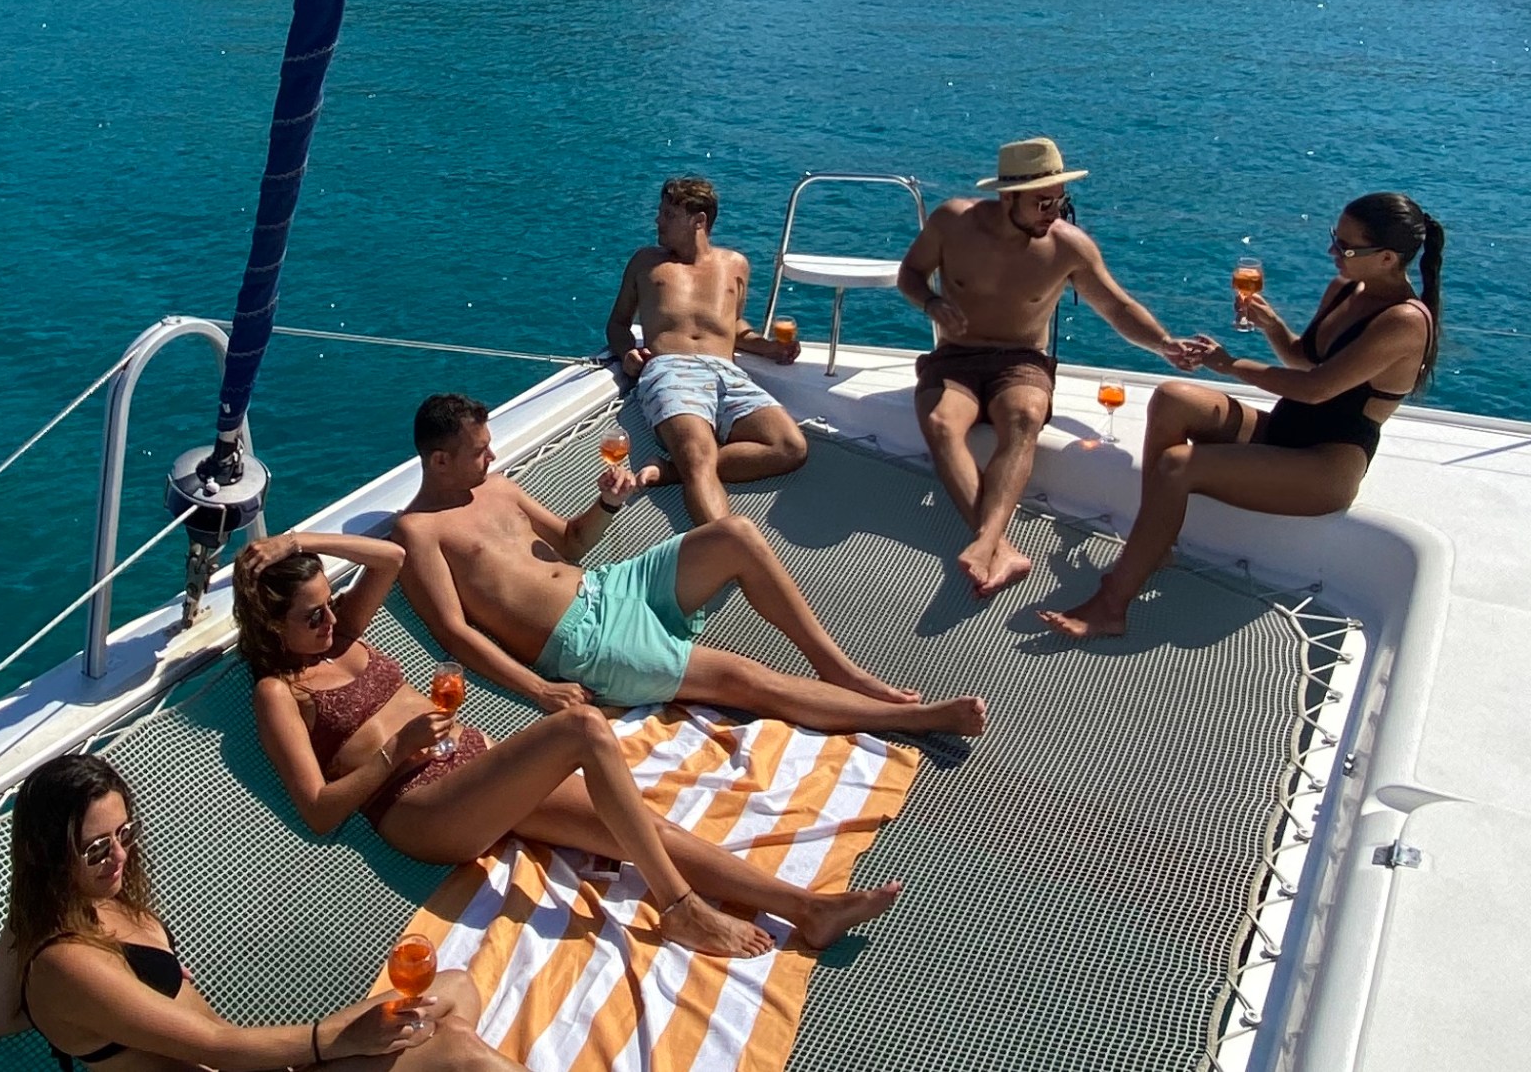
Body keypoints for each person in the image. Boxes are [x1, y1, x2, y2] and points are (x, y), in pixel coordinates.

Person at [234, 531, 904, 959]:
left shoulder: (342, 633)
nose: (329, 620)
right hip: (421, 807)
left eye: (327, 603)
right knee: (583, 729)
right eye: (310, 615)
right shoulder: (278, 692)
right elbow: (319, 811)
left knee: (637, 824)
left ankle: (808, 910)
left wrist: (296, 540)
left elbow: (393, 557)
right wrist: (395, 751)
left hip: (477, 768)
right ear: (271, 625)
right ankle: (680, 911)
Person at [391, 394, 986, 736]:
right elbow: (455, 633)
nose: (492, 456)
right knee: (742, 680)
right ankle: (913, 719)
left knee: (736, 534)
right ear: (439, 460)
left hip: (612, 585)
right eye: (478, 451)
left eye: (490, 444)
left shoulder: (496, 486)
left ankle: (844, 672)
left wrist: (606, 504)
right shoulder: (418, 532)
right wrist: (540, 687)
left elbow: (571, 545)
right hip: (584, 644)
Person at [1039, 193, 1443, 642]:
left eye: (1346, 247)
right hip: (1285, 430)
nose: (1333, 252)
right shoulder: (1345, 290)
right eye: (1335, 238)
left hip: (1326, 463)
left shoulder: (1405, 322)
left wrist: (1228, 365)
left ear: (1387, 258)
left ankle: (1112, 603)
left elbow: (1317, 388)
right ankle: (1154, 548)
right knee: (1172, 397)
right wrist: (1272, 326)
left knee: (1178, 464)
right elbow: (1303, 360)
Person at [0, 751, 506, 1070]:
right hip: (234, 1059)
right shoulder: (64, 963)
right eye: (96, 849)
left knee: (455, 987)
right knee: (456, 1051)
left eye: (126, 834)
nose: (120, 856)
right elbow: (216, 1043)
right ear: (46, 857)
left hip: (251, 1064)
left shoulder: (102, 902)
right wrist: (337, 1040)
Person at [898, 138, 1199, 600]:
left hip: (1022, 361)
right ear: (1006, 197)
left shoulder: (1068, 247)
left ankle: (985, 543)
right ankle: (1000, 547)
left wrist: (1164, 344)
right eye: (1042, 201)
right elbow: (910, 274)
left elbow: (1117, 308)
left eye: (1060, 201)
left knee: (1023, 418)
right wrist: (932, 302)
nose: (1052, 212)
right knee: (940, 423)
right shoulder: (952, 222)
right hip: (955, 357)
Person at [604, 176, 808, 526]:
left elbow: (735, 327)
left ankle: (670, 470)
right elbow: (617, 325)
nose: (658, 221)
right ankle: (723, 549)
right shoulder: (645, 264)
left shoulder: (735, 265)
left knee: (791, 447)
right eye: (660, 213)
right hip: (671, 369)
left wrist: (769, 347)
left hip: (727, 372)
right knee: (698, 455)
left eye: (668, 215)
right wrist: (627, 355)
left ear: (698, 221)